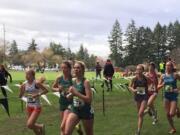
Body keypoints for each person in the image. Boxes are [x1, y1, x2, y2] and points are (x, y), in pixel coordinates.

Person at [64, 61, 94, 135]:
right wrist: (70, 95)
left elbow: (89, 100)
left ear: (83, 70)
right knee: (67, 132)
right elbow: (73, 95)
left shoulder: (86, 82)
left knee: (89, 133)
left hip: (86, 111)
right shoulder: (73, 81)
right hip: (75, 110)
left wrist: (76, 93)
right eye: (74, 68)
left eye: (78, 68)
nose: (75, 69)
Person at [19, 69, 48, 135]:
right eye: (26, 74)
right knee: (32, 126)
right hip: (28, 106)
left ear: (32, 75)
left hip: (36, 107)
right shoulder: (24, 84)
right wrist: (21, 90)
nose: (26, 76)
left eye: (28, 74)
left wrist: (37, 94)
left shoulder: (36, 83)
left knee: (29, 125)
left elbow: (46, 90)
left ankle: (41, 126)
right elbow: (20, 96)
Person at [52, 61, 78, 135]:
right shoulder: (59, 78)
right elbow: (53, 88)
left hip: (71, 103)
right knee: (65, 125)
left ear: (69, 69)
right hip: (62, 102)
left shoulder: (73, 78)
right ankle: (77, 127)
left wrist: (72, 92)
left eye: (65, 68)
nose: (63, 69)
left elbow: (79, 89)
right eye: (62, 68)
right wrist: (58, 89)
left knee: (63, 126)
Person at [158, 61, 180, 134]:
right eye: (166, 65)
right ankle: (173, 128)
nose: (167, 67)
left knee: (171, 114)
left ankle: (177, 110)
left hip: (174, 96)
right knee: (167, 114)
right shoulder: (163, 76)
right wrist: (162, 84)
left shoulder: (175, 75)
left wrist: (178, 89)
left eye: (169, 65)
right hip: (166, 96)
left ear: (171, 67)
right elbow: (157, 87)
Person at [129, 64, 148, 135]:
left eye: (140, 69)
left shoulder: (145, 78)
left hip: (144, 97)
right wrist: (133, 90)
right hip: (137, 97)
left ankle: (138, 131)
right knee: (140, 114)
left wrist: (152, 88)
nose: (138, 71)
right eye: (137, 69)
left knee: (140, 114)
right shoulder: (134, 78)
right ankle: (147, 110)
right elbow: (129, 86)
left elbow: (152, 82)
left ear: (143, 70)